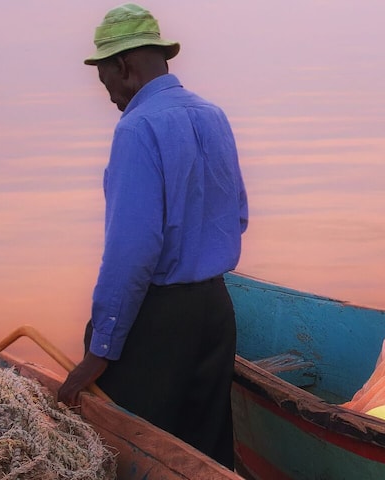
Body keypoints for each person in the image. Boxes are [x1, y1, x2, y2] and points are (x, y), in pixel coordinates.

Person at [56, 3, 247, 467]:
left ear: (123, 67)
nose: (109, 97)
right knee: (205, 456)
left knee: (132, 454)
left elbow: (133, 253)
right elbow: (237, 215)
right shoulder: (213, 115)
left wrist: (100, 350)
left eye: (105, 82)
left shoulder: (138, 128)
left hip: (158, 322)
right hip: (216, 314)